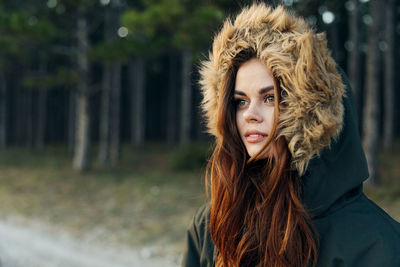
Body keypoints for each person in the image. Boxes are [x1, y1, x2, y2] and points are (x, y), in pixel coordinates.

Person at [181, 3, 400, 267]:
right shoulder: (214, 225)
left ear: (311, 111)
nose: (250, 114)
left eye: (270, 98)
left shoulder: (376, 243)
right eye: (240, 101)